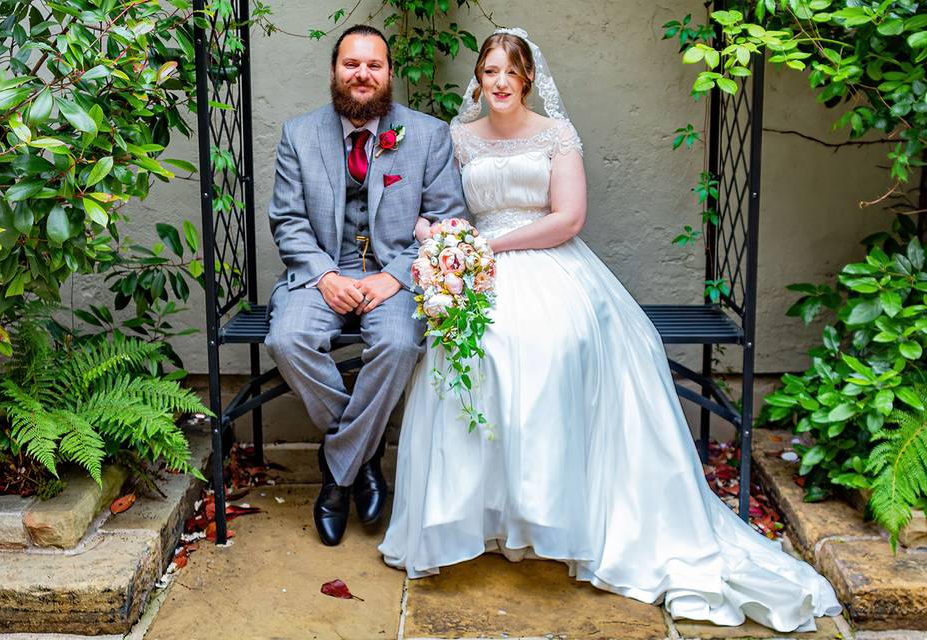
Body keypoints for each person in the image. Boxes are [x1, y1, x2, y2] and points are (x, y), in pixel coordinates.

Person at [379, 28, 842, 632]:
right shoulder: (458, 138)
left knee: (548, 345)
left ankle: (552, 513)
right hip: (478, 268)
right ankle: (484, 516)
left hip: (547, 261)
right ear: (479, 77)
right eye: (489, 71)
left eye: (509, 73)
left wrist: (491, 244)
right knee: (468, 351)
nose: (498, 82)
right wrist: (440, 238)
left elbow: (568, 219)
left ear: (527, 80)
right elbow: (443, 206)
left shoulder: (556, 136)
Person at [265, 24, 466, 546]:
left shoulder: (427, 135)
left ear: (389, 73)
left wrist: (393, 276)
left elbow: (446, 223)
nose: (362, 74)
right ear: (334, 70)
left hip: (394, 277)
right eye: (352, 64)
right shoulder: (298, 134)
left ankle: (336, 478)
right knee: (286, 340)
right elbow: (287, 221)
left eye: (373, 65)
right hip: (319, 274)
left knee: (400, 343)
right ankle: (362, 454)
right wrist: (326, 276)